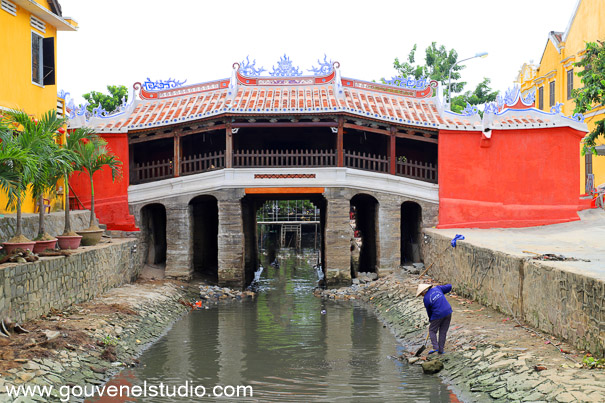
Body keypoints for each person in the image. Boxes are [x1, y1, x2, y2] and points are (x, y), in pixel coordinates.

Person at [416, 283, 453, 355]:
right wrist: (442, 292)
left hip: (438, 314)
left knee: (432, 330)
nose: (422, 296)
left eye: (421, 294)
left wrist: (431, 320)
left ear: (424, 291)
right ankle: (441, 350)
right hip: (448, 311)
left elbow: (429, 311)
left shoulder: (426, 299)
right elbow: (449, 286)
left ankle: (435, 347)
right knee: (443, 331)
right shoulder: (437, 289)